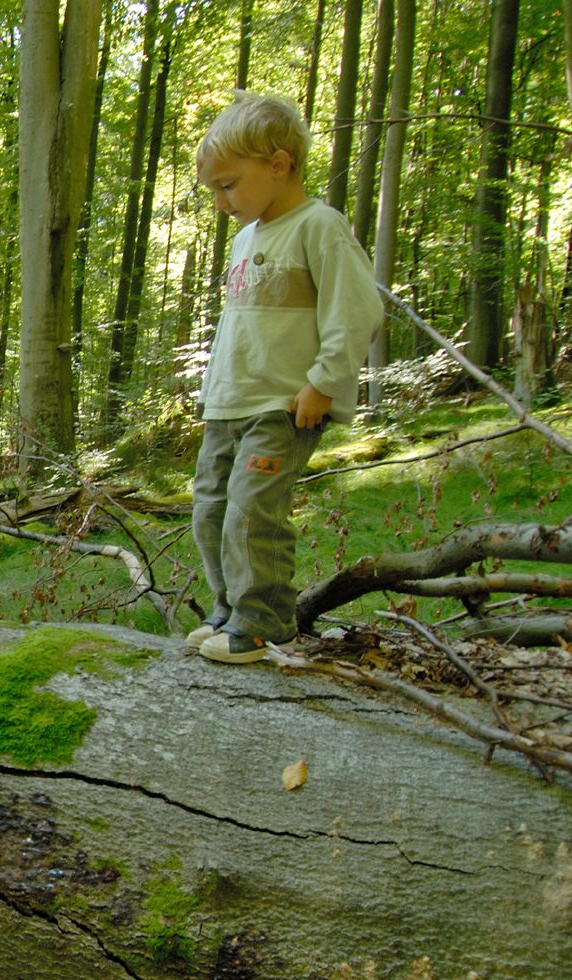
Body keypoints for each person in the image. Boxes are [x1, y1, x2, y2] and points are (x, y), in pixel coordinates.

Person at [187, 91, 383, 664]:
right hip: (228, 404)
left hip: (283, 405)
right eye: (214, 190)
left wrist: (324, 381)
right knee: (211, 511)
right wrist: (212, 392)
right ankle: (229, 607)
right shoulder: (245, 238)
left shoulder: (319, 226)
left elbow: (357, 310)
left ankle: (265, 620)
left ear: (278, 164)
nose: (221, 202)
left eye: (228, 185)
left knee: (253, 511)